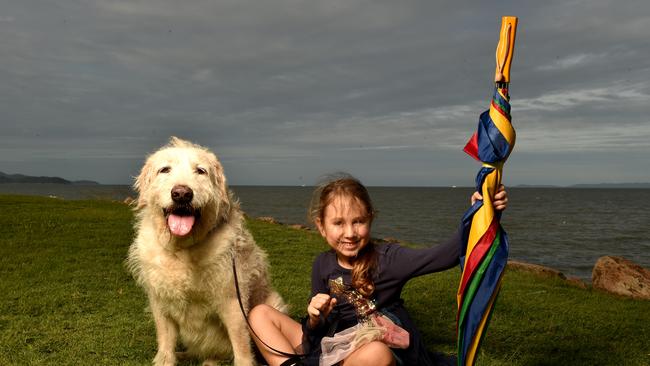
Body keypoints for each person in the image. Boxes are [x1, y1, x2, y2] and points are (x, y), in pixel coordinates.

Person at [248, 174, 508, 366]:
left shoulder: (389, 258)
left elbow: (446, 255)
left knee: (377, 355)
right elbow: (313, 333)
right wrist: (315, 316)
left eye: (358, 222)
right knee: (259, 314)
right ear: (321, 226)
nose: (349, 233)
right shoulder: (322, 264)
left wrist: (482, 213)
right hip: (329, 343)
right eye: (338, 223)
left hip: (366, 349)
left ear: (370, 219)